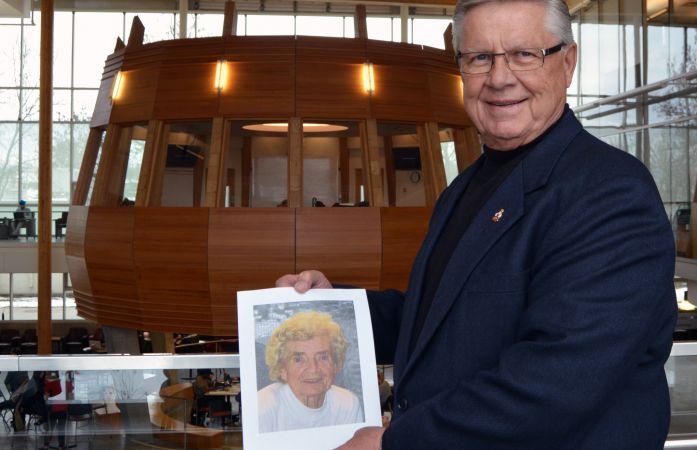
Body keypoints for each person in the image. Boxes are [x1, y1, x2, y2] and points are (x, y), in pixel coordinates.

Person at [276, 0, 676, 448]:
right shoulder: (464, 189)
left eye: (525, 54)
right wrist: (335, 310)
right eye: (480, 57)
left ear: (567, 63)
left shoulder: (609, 192)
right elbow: (437, 318)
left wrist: (396, 443)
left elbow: (556, 379)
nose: (500, 78)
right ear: (461, 69)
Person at [257, 311, 363, 433]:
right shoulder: (262, 407)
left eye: (323, 357)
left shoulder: (348, 404)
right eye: (298, 359)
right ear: (282, 369)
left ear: (335, 364)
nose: (313, 368)